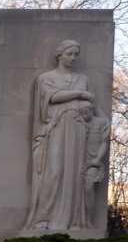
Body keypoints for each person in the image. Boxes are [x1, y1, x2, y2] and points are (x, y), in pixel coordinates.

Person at [25, 40, 109, 231]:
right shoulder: (47, 78)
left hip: (79, 130)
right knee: (53, 173)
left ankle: (75, 221)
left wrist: (105, 123)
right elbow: (51, 97)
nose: (72, 58)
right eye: (69, 54)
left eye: (75, 55)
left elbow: (94, 107)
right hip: (56, 128)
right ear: (59, 55)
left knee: (75, 174)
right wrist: (79, 94)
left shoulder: (83, 78)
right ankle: (43, 218)